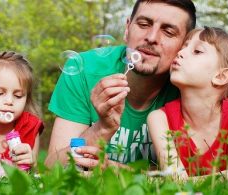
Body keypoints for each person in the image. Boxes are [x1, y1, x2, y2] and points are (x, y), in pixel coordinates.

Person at [45, 0, 196, 169]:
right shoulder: (83, 68)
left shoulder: (191, 86)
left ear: (184, 46)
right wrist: (102, 128)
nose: (152, 37)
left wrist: (118, 172)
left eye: (168, 32)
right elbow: (52, 168)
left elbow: (193, 177)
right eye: (144, 24)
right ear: (127, 28)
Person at [147, 27, 228, 193]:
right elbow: (175, 181)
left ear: (221, 76)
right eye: (183, 47)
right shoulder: (158, 118)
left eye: (197, 51)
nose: (180, 53)